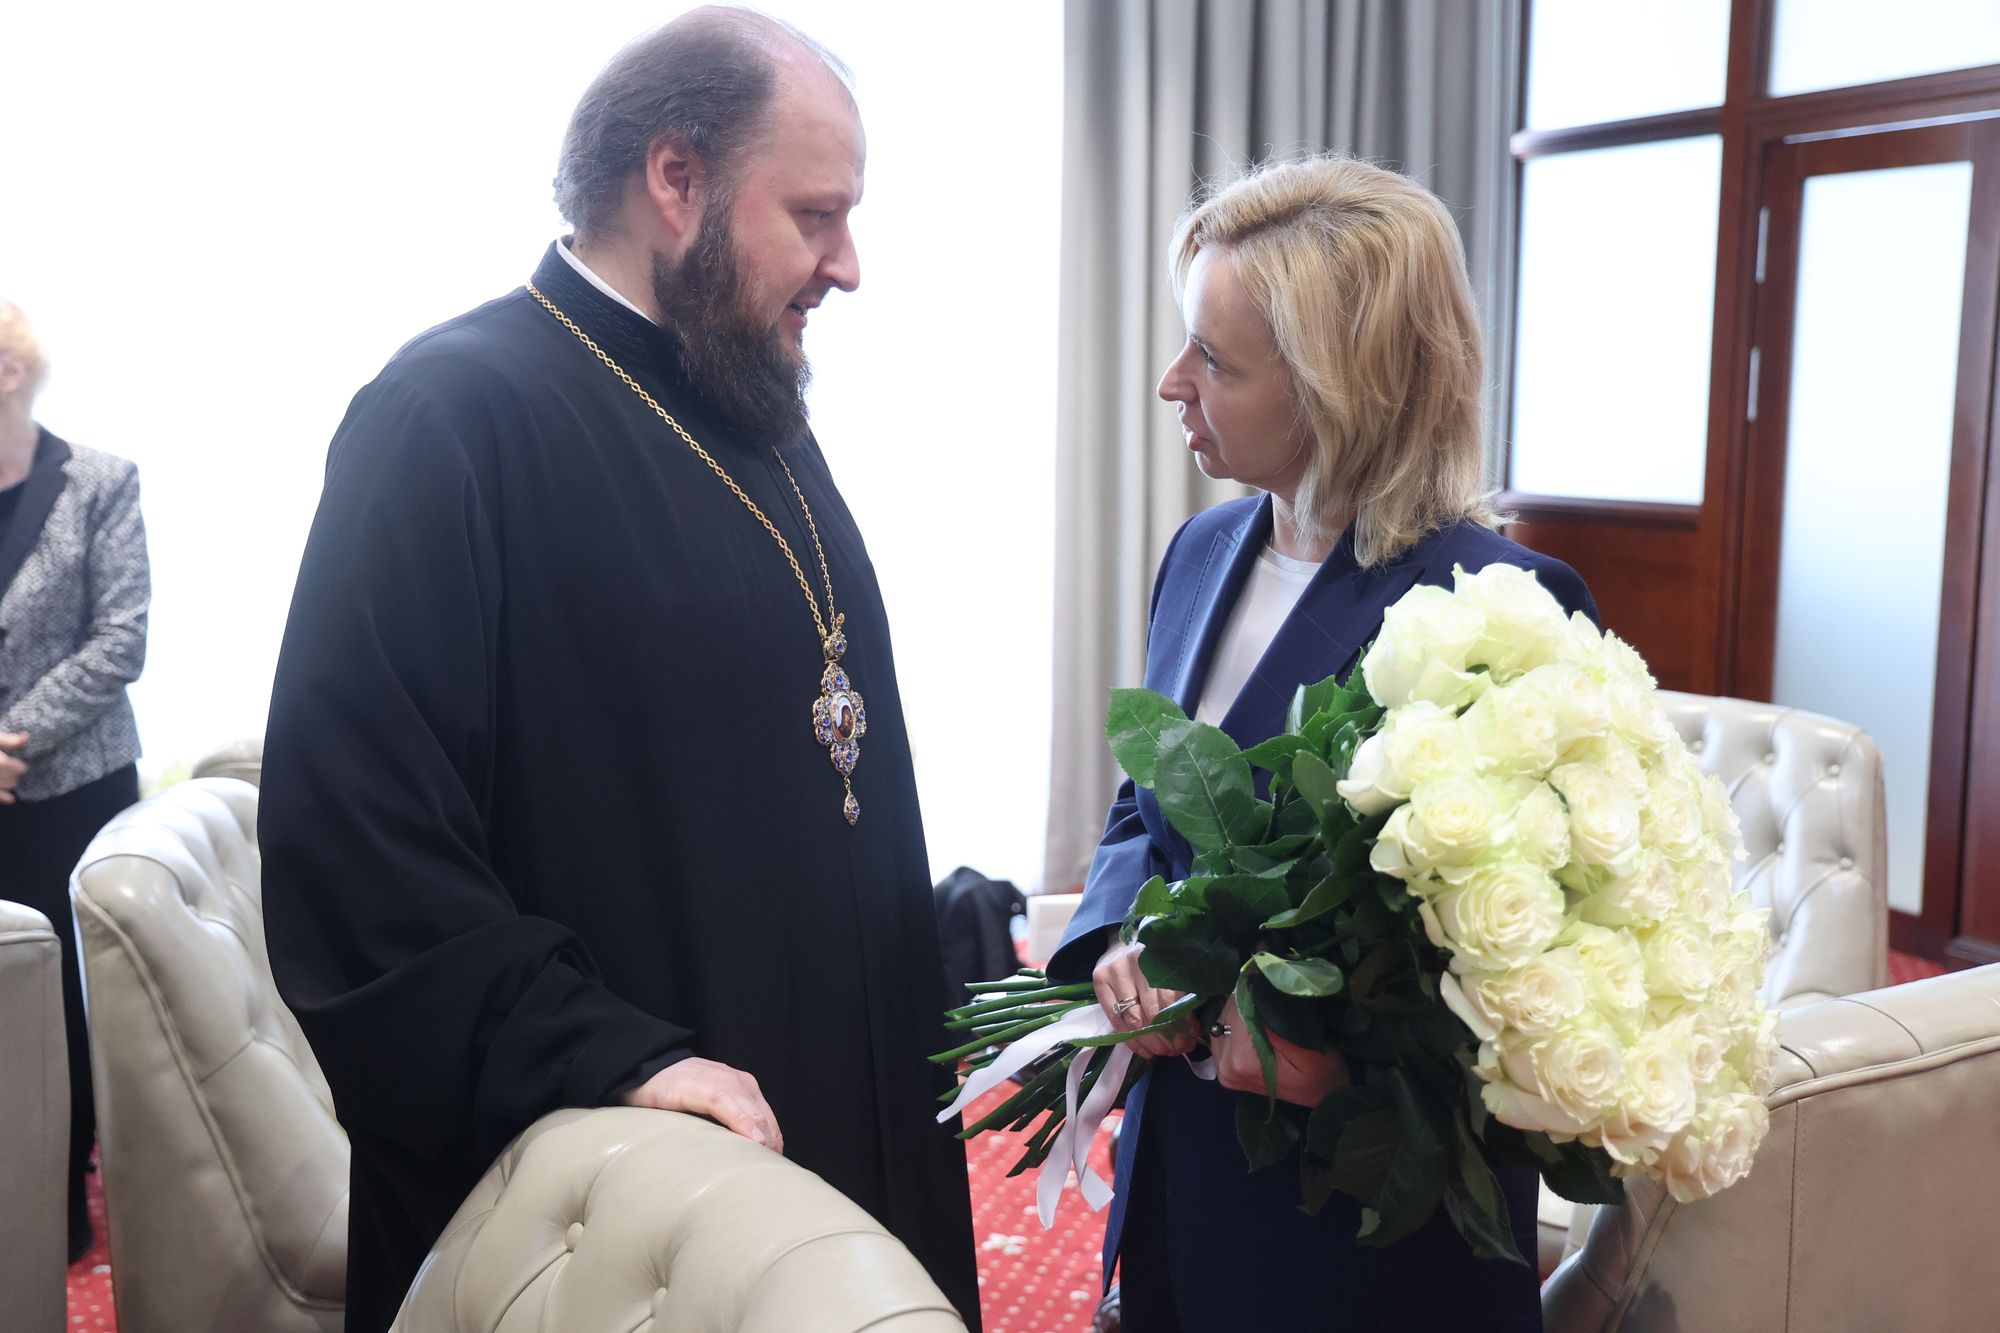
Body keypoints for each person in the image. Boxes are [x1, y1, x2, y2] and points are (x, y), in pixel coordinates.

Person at [257, 11, 978, 1329]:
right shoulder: (444, 417)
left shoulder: (742, 391)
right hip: (630, 1174)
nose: (847, 265)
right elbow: (354, 839)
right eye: (814, 216)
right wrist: (606, 1056)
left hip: (836, 1080)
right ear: (676, 178)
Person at [1047, 156, 1600, 1332]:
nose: (1170, 381)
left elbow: (1537, 965)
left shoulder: (1499, 609)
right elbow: (1145, 810)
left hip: (1358, 1223)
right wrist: (1117, 936)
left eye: (1213, 360)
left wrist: (1335, 1060)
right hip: (1181, 1155)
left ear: (1339, 388)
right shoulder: (1198, 552)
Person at [0, 298, 150, 1263]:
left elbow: (120, 641)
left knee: (60, 1002)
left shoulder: (99, 481)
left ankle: (58, 1207)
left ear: (9, 371)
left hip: (72, 793)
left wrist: (10, 738)